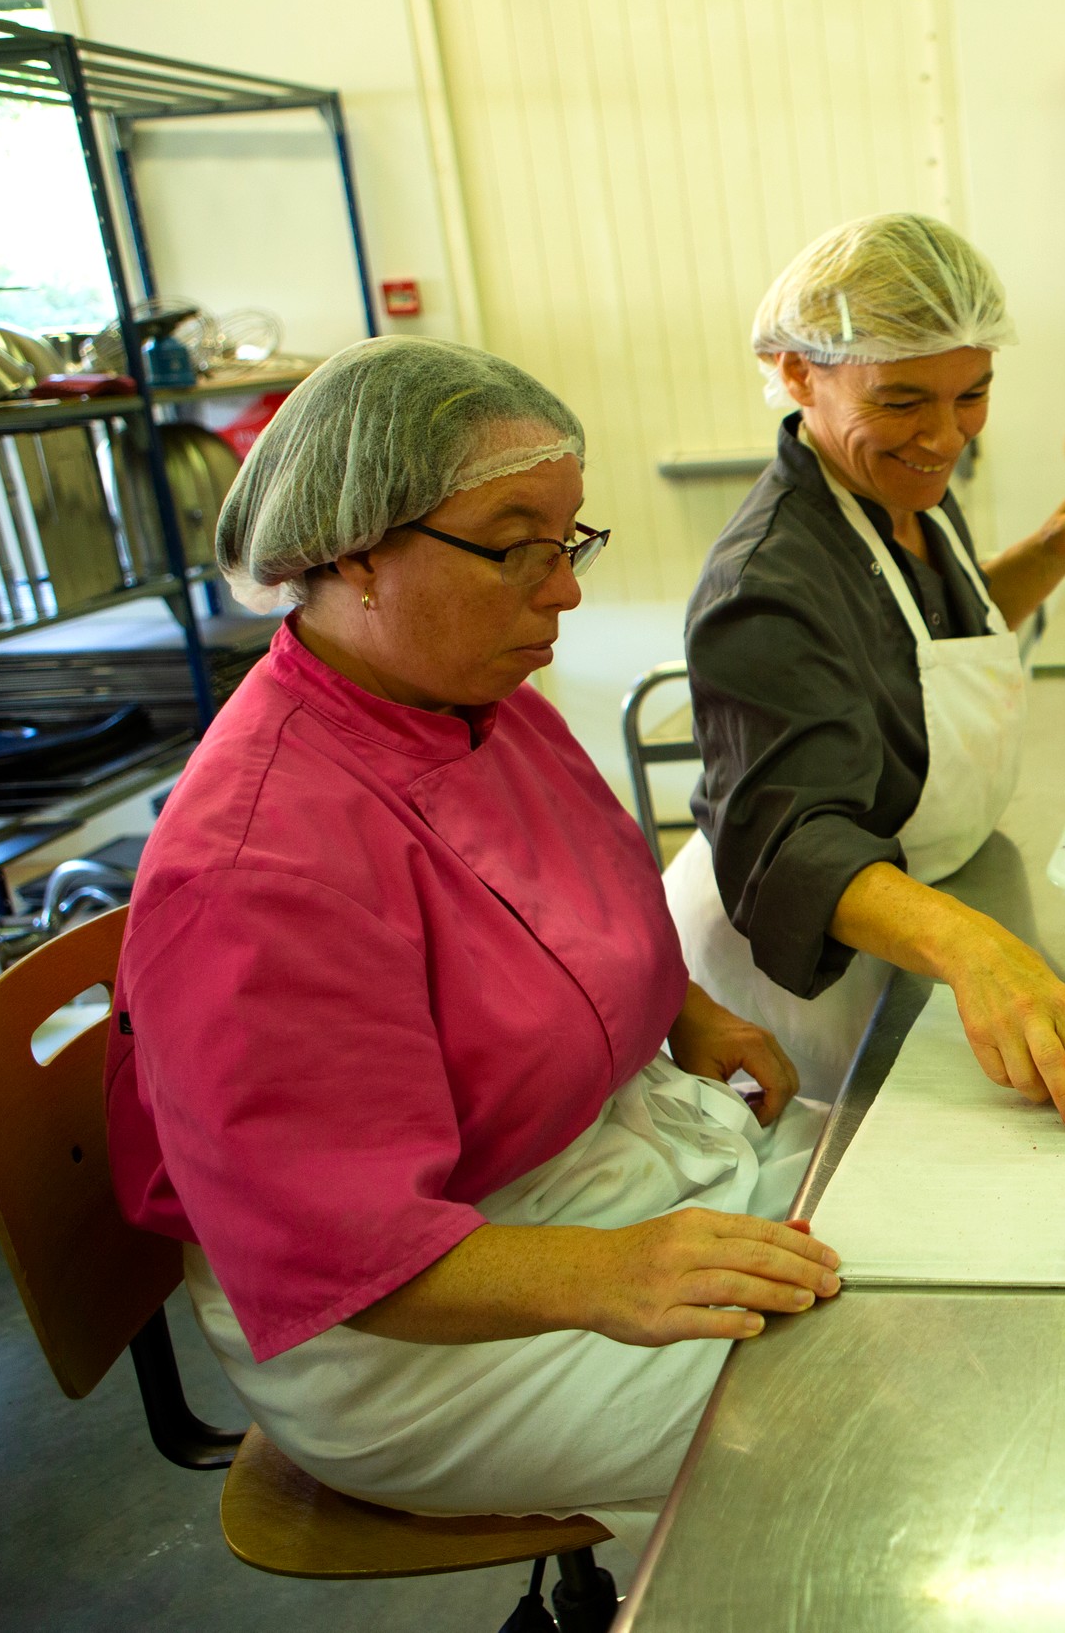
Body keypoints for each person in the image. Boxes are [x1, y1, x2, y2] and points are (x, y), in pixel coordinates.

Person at [102, 338, 840, 1548]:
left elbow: (567, 915)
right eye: (515, 545)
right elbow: (341, 1251)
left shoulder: (479, 706)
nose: (565, 590)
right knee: (854, 1414)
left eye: (569, 538)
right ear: (350, 553)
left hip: (601, 1164)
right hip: (411, 1328)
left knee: (918, 1230)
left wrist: (685, 1014)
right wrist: (610, 1277)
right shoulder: (253, 864)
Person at [666, 213, 1065, 1119]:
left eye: (973, 394)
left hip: (918, 911)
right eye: (903, 399)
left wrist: (1048, 553)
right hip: (810, 973)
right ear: (799, 372)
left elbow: (910, 638)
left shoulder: (897, 489)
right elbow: (789, 842)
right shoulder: (762, 583)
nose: (947, 435)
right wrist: (974, 946)